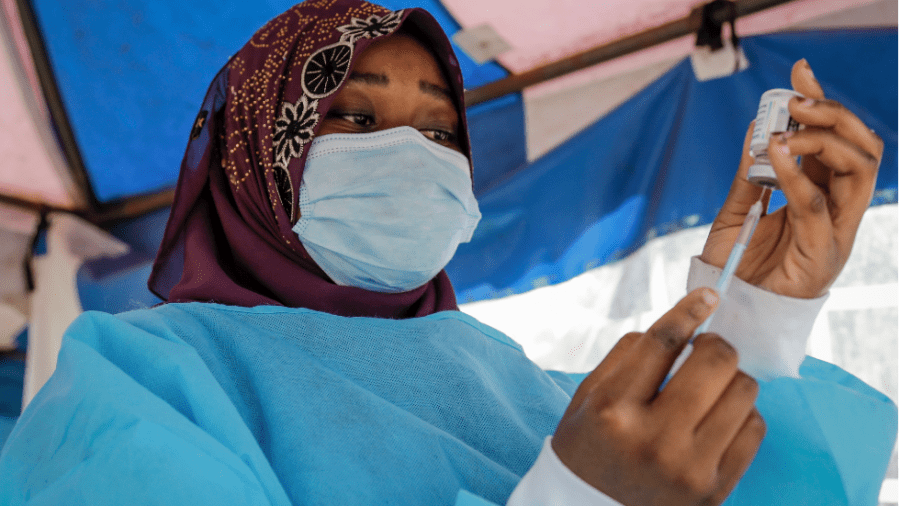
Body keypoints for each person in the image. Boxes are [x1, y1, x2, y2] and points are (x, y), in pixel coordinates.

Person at [0, 1, 895, 505]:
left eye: (440, 132)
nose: (411, 157)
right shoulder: (141, 381)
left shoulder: (502, 375)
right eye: (353, 117)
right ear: (251, 161)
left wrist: (757, 317)